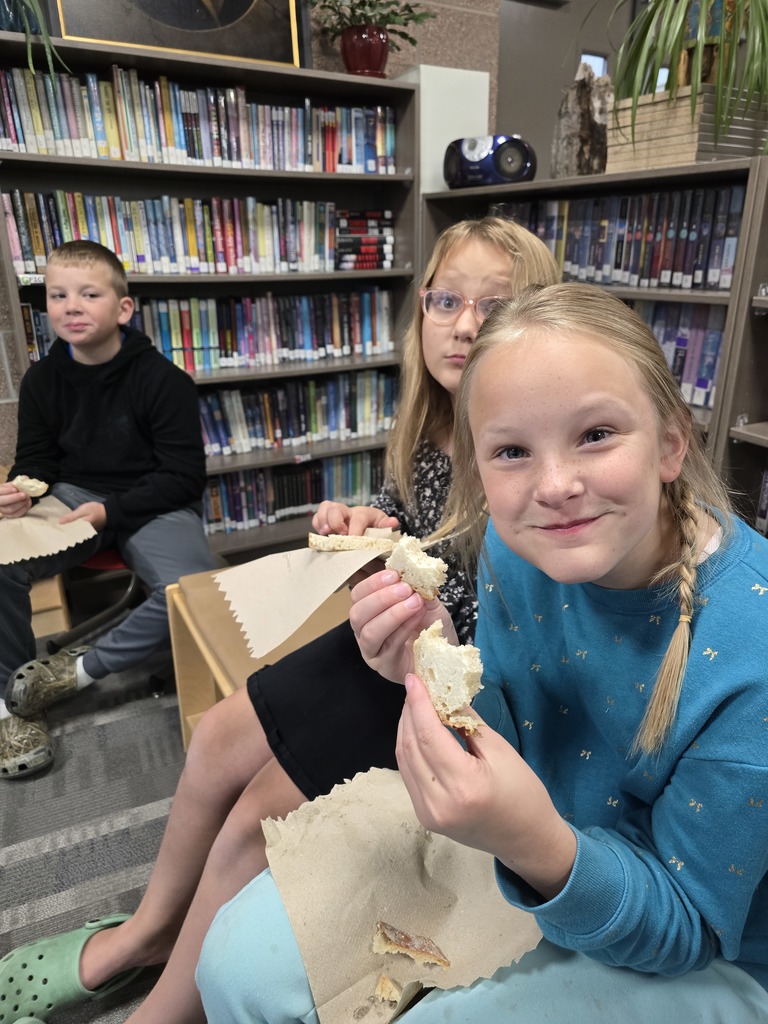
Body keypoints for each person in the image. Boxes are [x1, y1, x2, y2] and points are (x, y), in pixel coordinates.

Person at [0, 219, 560, 1021]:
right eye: (445, 301)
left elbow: (506, 624)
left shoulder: (523, 443)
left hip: (449, 684)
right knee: (220, 737)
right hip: (393, 637)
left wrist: (416, 601)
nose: (465, 325)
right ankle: (150, 932)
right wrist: (369, 521)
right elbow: (411, 520)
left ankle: (164, 1006)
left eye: (494, 305)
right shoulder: (429, 417)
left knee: (255, 819)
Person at [195, 283, 768, 1023]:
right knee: (234, 960)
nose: (555, 486)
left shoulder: (749, 650)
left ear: (669, 442)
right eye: (511, 451)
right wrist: (429, 659)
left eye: (596, 434)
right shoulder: (515, 543)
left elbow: (689, 925)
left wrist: (535, 844)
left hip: (701, 941)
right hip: (541, 844)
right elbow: (505, 724)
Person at [0, 240, 215, 778]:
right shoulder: (43, 381)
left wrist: (110, 512)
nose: (71, 306)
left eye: (88, 293)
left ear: (122, 308)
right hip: (72, 499)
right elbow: (37, 461)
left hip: (152, 501)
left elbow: (182, 477)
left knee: (192, 590)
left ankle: (73, 673)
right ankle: (11, 704)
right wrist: (20, 490)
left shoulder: (165, 381)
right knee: (1, 560)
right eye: (57, 295)